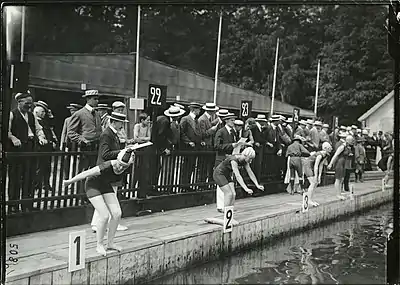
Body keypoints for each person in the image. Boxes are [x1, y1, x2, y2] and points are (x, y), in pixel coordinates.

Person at [63, 148, 136, 256]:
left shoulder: (126, 166)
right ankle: (99, 245)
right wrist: (70, 181)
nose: (120, 168)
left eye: (124, 167)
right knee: (104, 215)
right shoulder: (107, 165)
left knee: (117, 213)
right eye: (120, 164)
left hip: (105, 185)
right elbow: (87, 173)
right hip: (93, 185)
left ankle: (110, 243)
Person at [205, 147, 264, 225]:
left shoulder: (244, 161)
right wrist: (246, 188)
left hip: (226, 175)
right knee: (228, 194)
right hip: (219, 174)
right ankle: (225, 217)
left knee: (234, 194)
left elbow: (250, 172)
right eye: (250, 159)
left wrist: (257, 184)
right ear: (246, 155)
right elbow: (237, 175)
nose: (250, 161)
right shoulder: (234, 160)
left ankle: (230, 215)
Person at [303, 142, 333, 206]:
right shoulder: (319, 155)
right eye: (330, 147)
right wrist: (316, 176)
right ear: (325, 148)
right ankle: (309, 200)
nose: (331, 148)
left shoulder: (326, 155)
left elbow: (321, 165)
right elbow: (316, 166)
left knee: (315, 183)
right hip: (307, 166)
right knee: (313, 183)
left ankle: (310, 199)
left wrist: (319, 176)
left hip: (312, 166)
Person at [327, 133, 350, 200]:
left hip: (343, 163)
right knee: (338, 178)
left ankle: (339, 192)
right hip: (339, 163)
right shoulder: (341, 146)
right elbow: (336, 155)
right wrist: (330, 163)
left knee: (341, 179)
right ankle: (338, 194)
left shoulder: (345, 145)